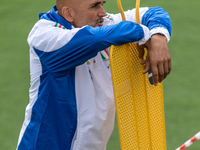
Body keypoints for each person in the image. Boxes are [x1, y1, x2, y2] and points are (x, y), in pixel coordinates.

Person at [17, 0, 172, 149]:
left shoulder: (103, 24)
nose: (103, 13)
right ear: (68, 13)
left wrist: (158, 37)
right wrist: (143, 33)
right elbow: (92, 39)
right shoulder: (43, 35)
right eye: (94, 6)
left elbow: (155, 13)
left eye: (102, 4)